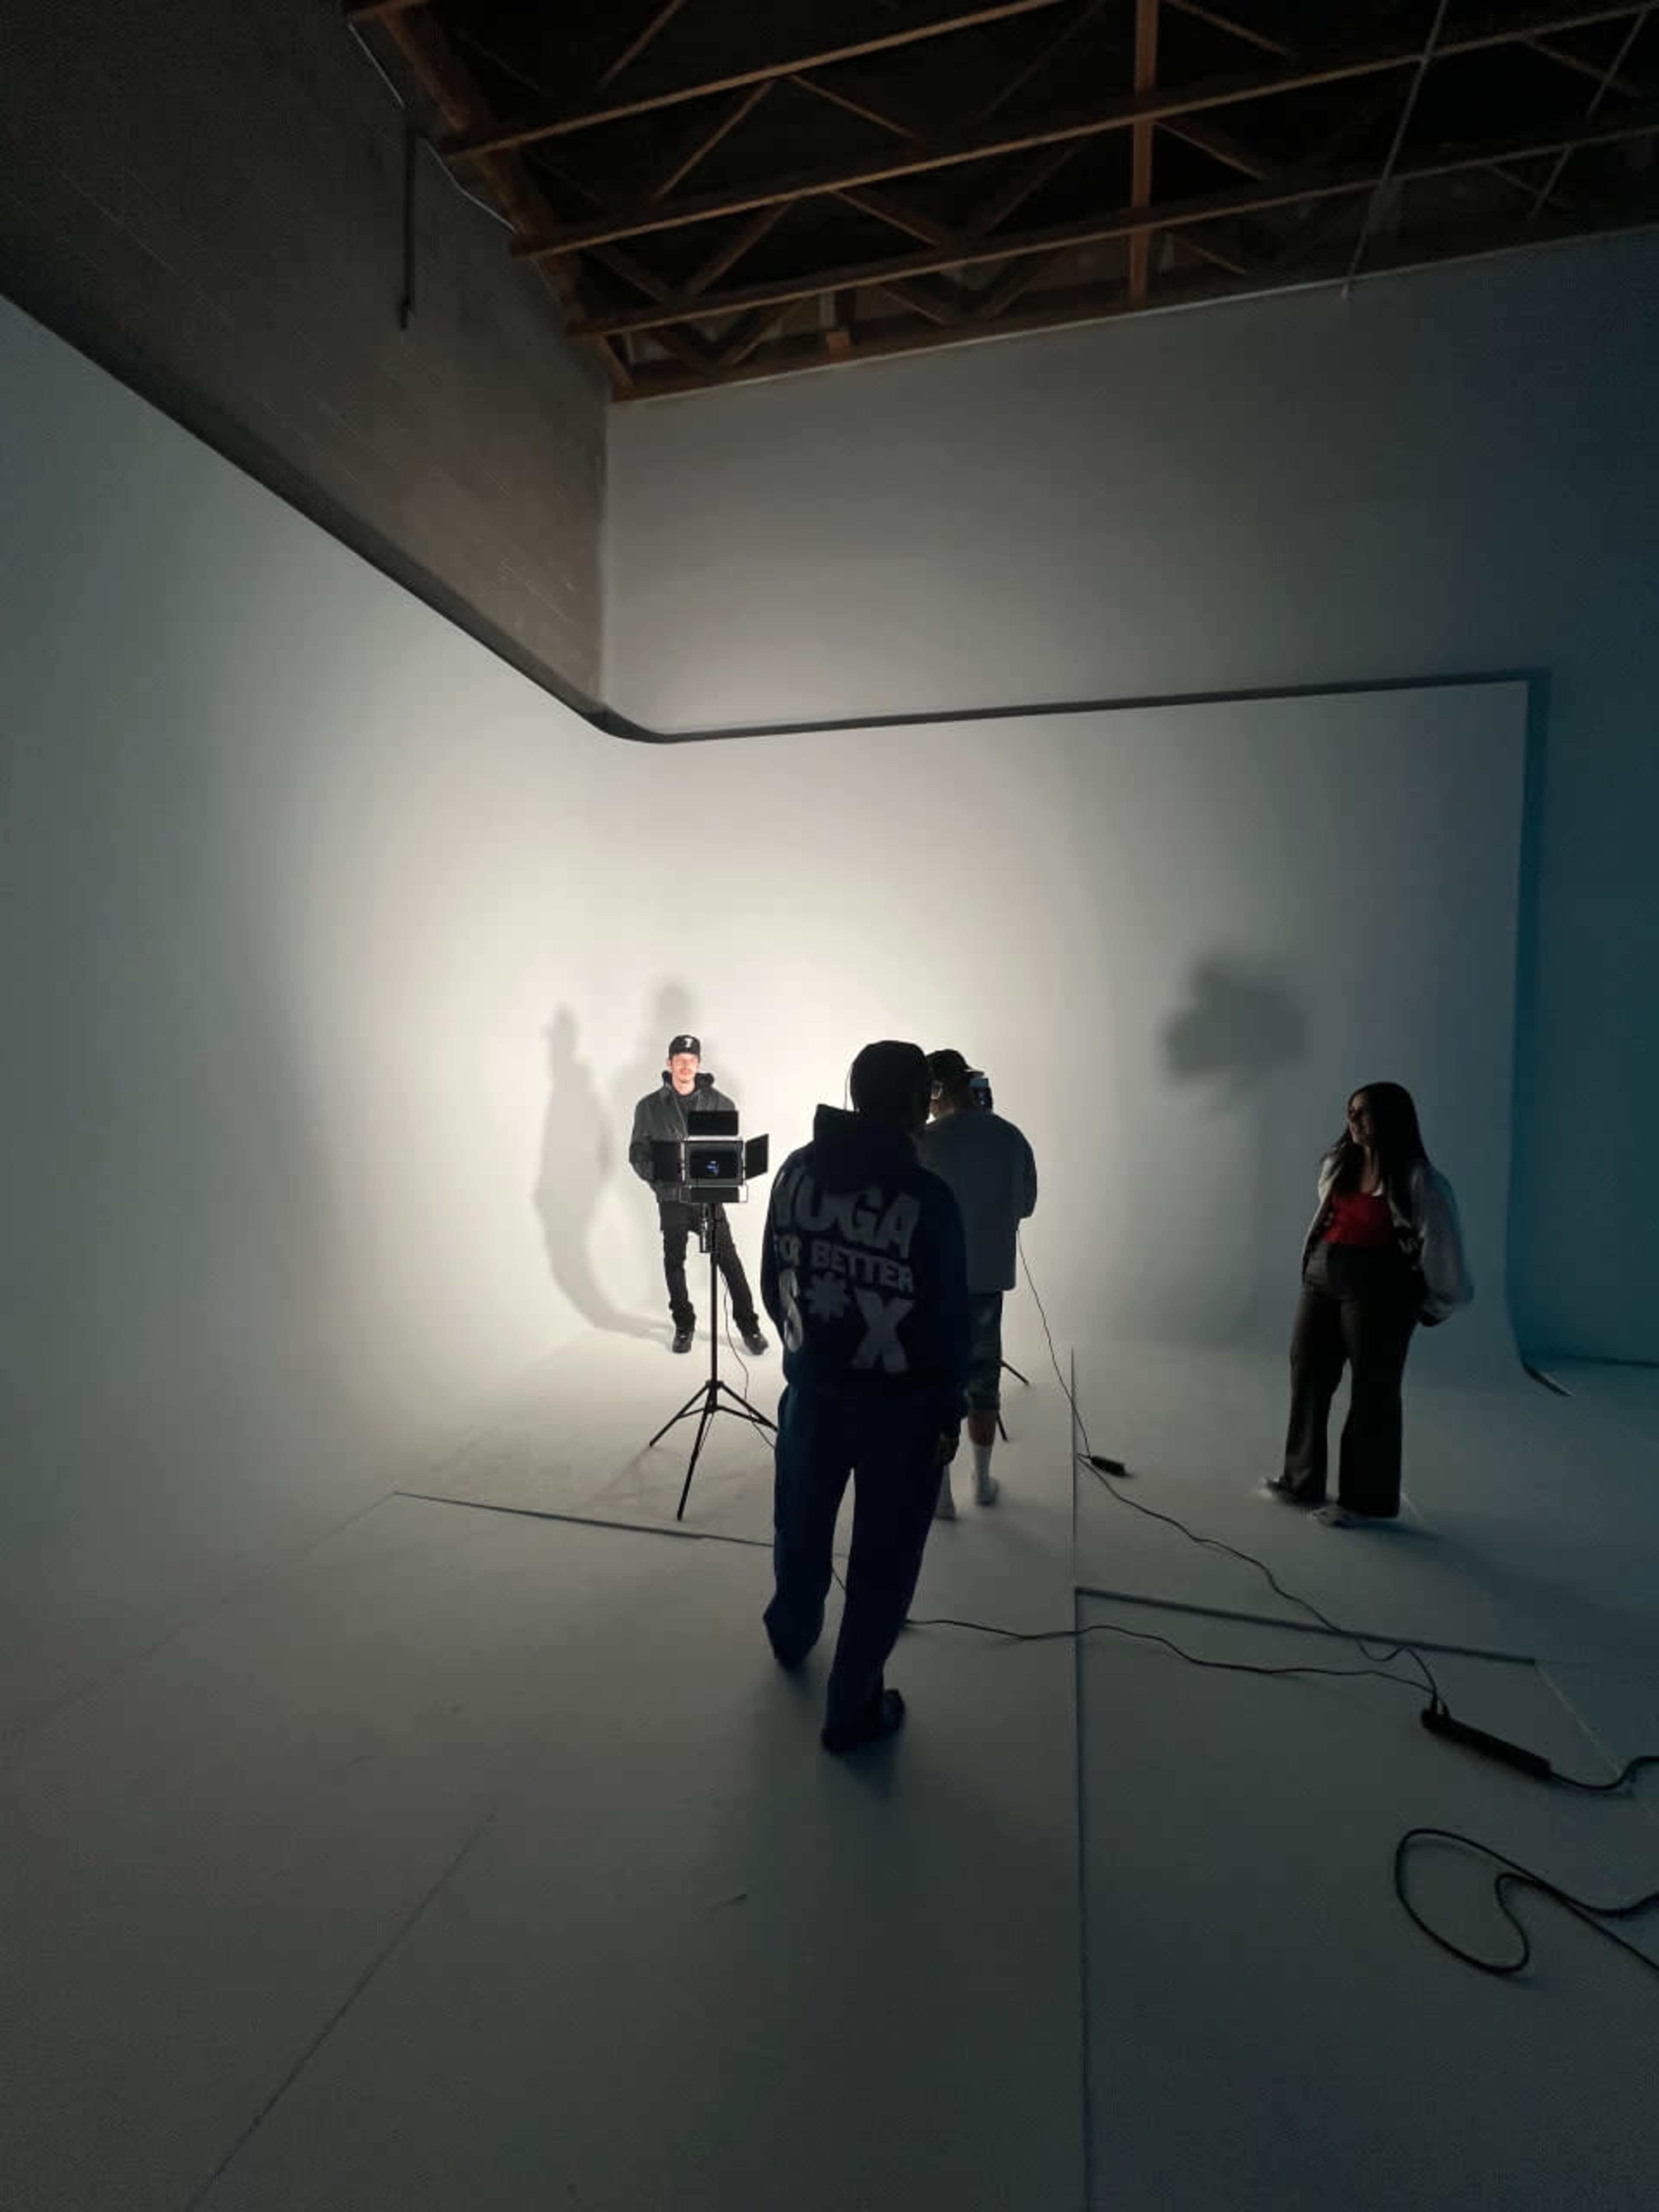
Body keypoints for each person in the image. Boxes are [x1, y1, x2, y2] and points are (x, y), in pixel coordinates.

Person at [760, 1040, 970, 1752]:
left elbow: (770, 1277)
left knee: (800, 1528)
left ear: (854, 1096)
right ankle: (850, 1712)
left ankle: (790, 1638)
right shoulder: (929, 1202)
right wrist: (949, 1409)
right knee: (882, 1564)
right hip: (899, 1416)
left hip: (812, 1396)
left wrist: (808, 1351)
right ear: (917, 1106)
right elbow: (948, 1322)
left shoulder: (793, 1170)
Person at [1264, 1082, 1472, 1526]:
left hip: (1379, 1290)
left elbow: (1443, 1247)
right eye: (1351, 1111)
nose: (1354, 1120)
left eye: (1365, 1112)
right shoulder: (1339, 1165)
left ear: (1392, 1118)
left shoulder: (1419, 1179)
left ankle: (1366, 1499)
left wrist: (1433, 1304)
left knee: (1374, 1390)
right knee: (1308, 1373)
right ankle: (1301, 1479)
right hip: (1320, 1280)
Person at [917, 1049, 1038, 1516]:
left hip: (932, 1280)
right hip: (987, 1275)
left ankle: (941, 1492)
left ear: (939, 1090)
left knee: (934, 1380)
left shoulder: (925, 1140)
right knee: (983, 1378)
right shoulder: (1010, 1136)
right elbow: (1025, 1205)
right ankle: (983, 1480)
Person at [629, 1034, 767, 1357]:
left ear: (699, 1064)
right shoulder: (649, 1107)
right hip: (672, 1198)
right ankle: (684, 1325)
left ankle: (750, 1328)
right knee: (674, 1260)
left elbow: (728, 1153)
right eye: (680, 1059)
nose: (686, 1065)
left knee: (730, 1262)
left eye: (691, 1060)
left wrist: (726, 1173)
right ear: (669, 1063)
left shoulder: (721, 1103)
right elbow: (637, 1155)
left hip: (709, 1197)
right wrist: (662, 1178)